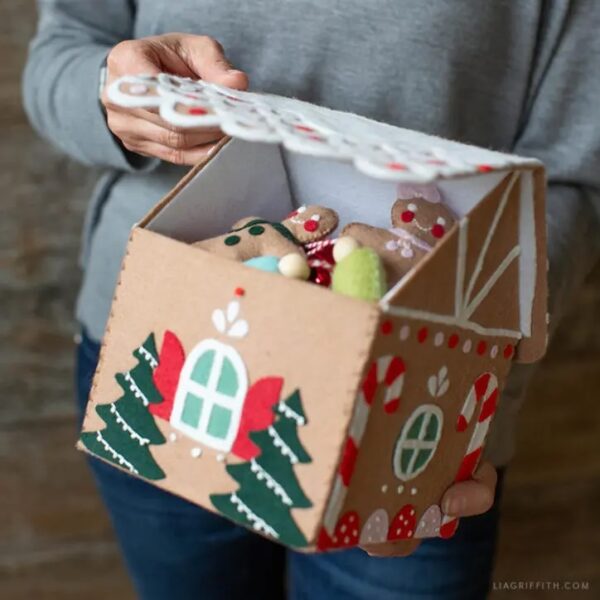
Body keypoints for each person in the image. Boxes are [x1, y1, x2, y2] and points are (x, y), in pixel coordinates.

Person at [23, 1, 600, 599]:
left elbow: (579, 175)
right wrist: (117, 98)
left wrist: (471, 330)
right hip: (159, 350)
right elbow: (59, 57)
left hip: (414, 391)